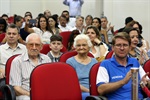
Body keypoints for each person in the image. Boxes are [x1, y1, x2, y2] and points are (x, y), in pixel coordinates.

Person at [96, 32, 149, 100]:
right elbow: (101, 89)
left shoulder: (135, 62)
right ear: (112, 48)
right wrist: (123, 81)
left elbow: (147, 82)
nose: (122, 48)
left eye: (125, 45)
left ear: (129, 47)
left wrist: (147, 83)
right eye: (118, 45)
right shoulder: (105, 64)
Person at [9, 33, 51, 100]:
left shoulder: (47, 59)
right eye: (31, 44)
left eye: (37, 45)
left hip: (44, 93)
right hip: (25, 95)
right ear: (26, 45)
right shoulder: (17, 61)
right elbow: (16, 88)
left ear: (41, 46)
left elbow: (50, 81)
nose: (34, 48)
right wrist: (31, 95)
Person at [66, 34, 97, 100]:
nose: (81, 47)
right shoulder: (70, 62)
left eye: (84, 45)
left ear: (89, 46)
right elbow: (71, 82)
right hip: (79, 92)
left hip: (95, 91)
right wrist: (89, 91)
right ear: (75, 47)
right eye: (78, 45)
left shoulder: (94, 61)